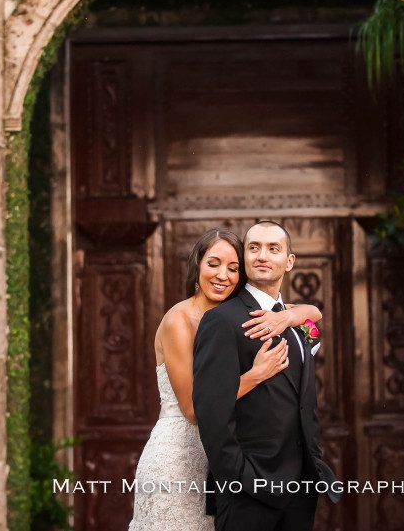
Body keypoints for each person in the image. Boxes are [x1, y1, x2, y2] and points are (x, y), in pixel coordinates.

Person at [129, 227, 323, 530]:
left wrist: (289, 316)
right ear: (197, 265)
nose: (223, 275)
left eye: (233, 268)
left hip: (220, 457)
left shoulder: (246, 316)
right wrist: (255, 375)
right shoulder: (179, 321)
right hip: (180, 455)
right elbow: (194, 409)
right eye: (213, 264)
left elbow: (312, 313)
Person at [193, 221, 340, 531]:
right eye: (254, 247)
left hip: (301, 490)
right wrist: (241, 479)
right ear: (245, 258)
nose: (262, 255)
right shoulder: (221, 321)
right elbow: (211, 413)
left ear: (289, 261)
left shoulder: (295, 320)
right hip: (249, 492)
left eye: (274, 249)